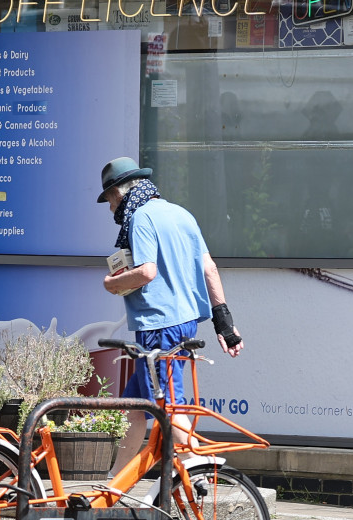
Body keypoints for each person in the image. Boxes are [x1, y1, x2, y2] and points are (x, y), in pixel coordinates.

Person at [97, 156, 244, 475]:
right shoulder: (182, 215)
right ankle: (116, 482)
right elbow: (209, 268)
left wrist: (112, 283)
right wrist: (225, 323)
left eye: (109, 200)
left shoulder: (140, 219)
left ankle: (199, 471)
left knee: (167, 404)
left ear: (119, 194)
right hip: (183, 323)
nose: (110, 209)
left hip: (157, 327)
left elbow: (147, 271)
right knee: (133, 408)